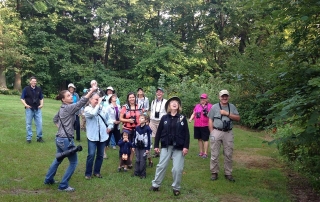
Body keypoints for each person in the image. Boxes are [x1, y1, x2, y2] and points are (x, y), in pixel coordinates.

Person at [44, 86, 97, 192]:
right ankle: (63, 185)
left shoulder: (62, 108)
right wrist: (91, 90)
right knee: (73, 162)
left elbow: (55, 119)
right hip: (65, 140)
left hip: (59, 139)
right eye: (68, 95)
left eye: (71, 94)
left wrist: (60, 129)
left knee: (58, 159)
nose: (71, 96)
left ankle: (48, 179)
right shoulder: (68, 107)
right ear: (63, 99)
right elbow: (81, 103)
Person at [150, 97, 190, 196]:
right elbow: (158, 132)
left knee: (177, 168)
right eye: (172, 102)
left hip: (179, 147)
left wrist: (186, 147)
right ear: (169, 105)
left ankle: (176, 187)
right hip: (166, 145)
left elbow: (187, 134)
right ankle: (156, 185)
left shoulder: (182, 118)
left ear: (178, 106)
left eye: (176, 102)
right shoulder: (164, 118)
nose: (174, 103)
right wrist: (156, 145)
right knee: (161, 166)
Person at [207, 90, 240, 182]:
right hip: (216, 131)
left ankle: (228, 173)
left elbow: (238, 118)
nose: (224, 98)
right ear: (219, 97)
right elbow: (210, 119)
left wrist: (227, 114)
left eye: (226, 96)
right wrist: (211, 132)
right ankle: (214, 172)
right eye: (222, 96)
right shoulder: (214, 107)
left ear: (228, 97)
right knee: (214, 153)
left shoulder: (232, 107)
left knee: (228, 153)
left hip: (228, 132)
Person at [84, 93, 113, 179]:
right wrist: (99, 104)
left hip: (103, 136)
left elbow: (109, 119)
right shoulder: (87, 109)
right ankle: (88, 174)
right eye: (96, 99)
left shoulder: (103, 109)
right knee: (91, 155)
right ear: (90, 100)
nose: (98, 101)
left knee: (100, 155)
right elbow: (93, 113)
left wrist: (110, 126)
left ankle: (97, 172)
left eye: (98, 99)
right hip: (92, 136)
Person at [120, 92, 143, 167]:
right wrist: (128, 121)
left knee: (133, 146)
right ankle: (124, 163)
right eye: (130, 97)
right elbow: (120, 118)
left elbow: (143, 117)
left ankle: (129, 162)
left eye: (133, 97)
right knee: (125, 145)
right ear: (128, 99)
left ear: (135, 98)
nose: (132, 99)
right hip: (127, 129)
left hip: (137, 129)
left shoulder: (139, 106)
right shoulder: (125, 107)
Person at [20, 76, 44, 143]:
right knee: (28, 124)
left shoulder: (38, 89)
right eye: (33, 81)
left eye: (35, 81)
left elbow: (41, 98)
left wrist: (42, 104)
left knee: (39, 123)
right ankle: (29, 138)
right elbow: (22, 98)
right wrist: (25, 105)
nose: (34, 82)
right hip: (29, 109)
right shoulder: (26, 89)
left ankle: (39, 138)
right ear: (30, 81)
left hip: (37, 109)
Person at [188, 93, 213, 158]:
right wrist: (190, 119)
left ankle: (205, 153)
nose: (202, 100)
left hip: (205, 125)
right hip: (197, 125)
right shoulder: (197, 106)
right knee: (199, 139)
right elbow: (194, 113)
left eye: (204, 98)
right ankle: (201, 152)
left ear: (207, 99)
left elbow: (213, 115)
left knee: (205, 139)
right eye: (201, 98)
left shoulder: (210, 106)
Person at [132, 114, 152, 178]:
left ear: (146, 120)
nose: (140, 119)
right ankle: (136, 172)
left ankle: (143, 174)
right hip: (138, 146)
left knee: (142, 160)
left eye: (142, 118)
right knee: (137, 160)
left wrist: (148, 148)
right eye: (140, 118)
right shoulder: (137, 128)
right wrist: (133, 146)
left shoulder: (148, 129)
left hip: (144, 147)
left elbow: (149, 139)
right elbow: (135, 137)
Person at [149, 88, 167, 157]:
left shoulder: (165, 102)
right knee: (154, 136)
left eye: (160, 92)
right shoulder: (153, 102)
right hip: (153, 121)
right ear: (156, 93)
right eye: (157, 92)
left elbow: (168, 111)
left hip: (161, 121)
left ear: (163, 93)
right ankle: (157, 151)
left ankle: (164, 151)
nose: (159, 93)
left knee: (163, 136)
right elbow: (152, 110)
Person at [104, 86, 120, 150]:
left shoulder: (118, 106)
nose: (115, 97)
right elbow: (106, 116)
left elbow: (120, 115)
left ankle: (121, 154)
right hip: (111, 125)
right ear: (111, 99)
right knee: (107, 139)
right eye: (113, 97)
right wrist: (113, 121)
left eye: (115, 97)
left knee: (119, 140)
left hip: (117, 125)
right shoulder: (108, 107)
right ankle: (104, 152)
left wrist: (120, 121)